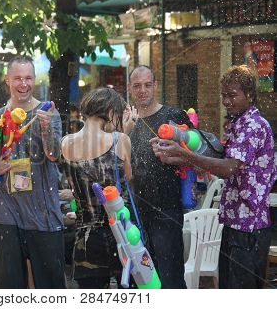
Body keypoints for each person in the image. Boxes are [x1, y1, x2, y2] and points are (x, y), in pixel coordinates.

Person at [153, 65, 275, 289]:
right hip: (234, 224)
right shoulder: (238, 124)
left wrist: (184, 153)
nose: (226, 101)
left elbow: (228, 169)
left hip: (249, 228)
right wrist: (175, 157)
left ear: (250, 95)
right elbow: (218, 161)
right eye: (224, 95)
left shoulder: (254, 126)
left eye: (232, 95)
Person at [0, 55, 65, 289]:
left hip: (44, 215)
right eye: (17, 78)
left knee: (51, 289)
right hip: (7, 215)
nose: (23, 84)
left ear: (35, 80)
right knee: (9, 288)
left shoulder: (48, 113)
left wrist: (47, 128)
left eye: (28, 78)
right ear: (7, 80)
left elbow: (54, 155)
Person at [61, 87, 134, 288]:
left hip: (86, 241)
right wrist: (124, 133)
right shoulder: (121, 140)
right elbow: (128, 180)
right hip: (120, 236)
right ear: (111, 112)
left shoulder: (65, 143)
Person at [128, 65, 190, 288]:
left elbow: (198, 158)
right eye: (137, 86)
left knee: (170, 280)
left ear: (155, 86)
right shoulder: (129, 124)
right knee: (142, 282)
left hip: (167, 213)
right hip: (137, 216)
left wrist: (173, 155)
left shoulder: (172, 115)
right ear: (130, 89)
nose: (142, 90)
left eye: (147, 85)